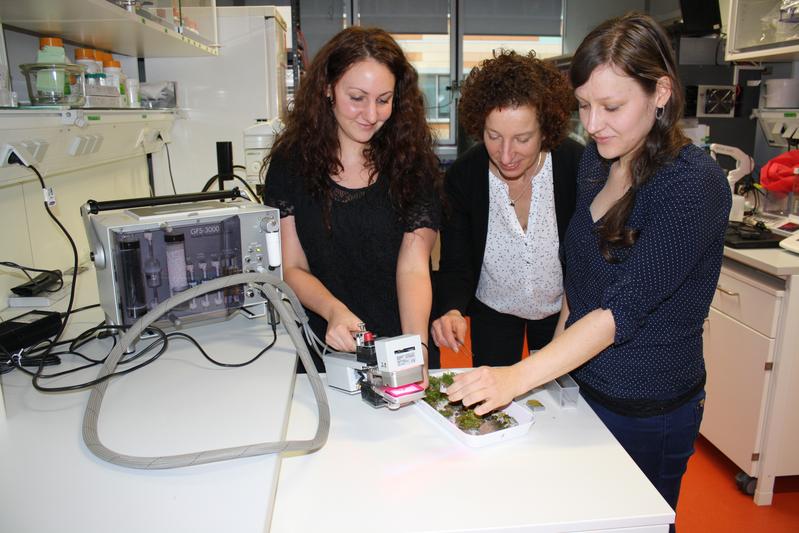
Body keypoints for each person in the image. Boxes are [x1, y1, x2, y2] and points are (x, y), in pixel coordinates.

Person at [446, 12, 731, 521]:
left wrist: (520, 377)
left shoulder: (692, 184)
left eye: (612, 106)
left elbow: (620, 311)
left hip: (647, 406)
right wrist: (556, 379)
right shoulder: (599, 165)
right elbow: (578, 284)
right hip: (582, 389)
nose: (593, 123)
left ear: (661, 92)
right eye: (584, 105)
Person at [262, 27, 441, 374]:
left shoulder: (412, 162)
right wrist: (332, 309)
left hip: (400, 339)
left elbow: (414, 266)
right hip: (325, 342)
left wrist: (414, 349)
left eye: (384, 99)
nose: (371, 114)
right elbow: (292, 265)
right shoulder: (291, 162)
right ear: (328, 88)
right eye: (357, 98)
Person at [431, 50, 583, 367]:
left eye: (523, 138)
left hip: (563, 310)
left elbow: (588, 255)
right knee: (496, 402)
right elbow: (457, 260)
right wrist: (452, 309)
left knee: (557, 404)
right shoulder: (465, 175)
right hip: (493, 310)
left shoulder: (575, 164)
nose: (506, 154)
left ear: (546, 130)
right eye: (493, 136)